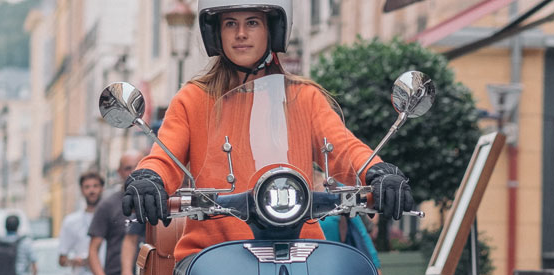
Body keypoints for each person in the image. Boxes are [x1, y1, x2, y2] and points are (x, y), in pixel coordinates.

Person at [123, 0, 414, 260]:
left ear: (271, 29)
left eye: (252, 22)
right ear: (216, 33)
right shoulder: (193, 98)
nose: (240, 33)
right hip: (214, 253)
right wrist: (150, 177)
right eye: (230, 23)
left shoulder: (303, 97)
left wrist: (377, 172)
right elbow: (165, 155)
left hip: (300, 249)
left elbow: (342, 148)